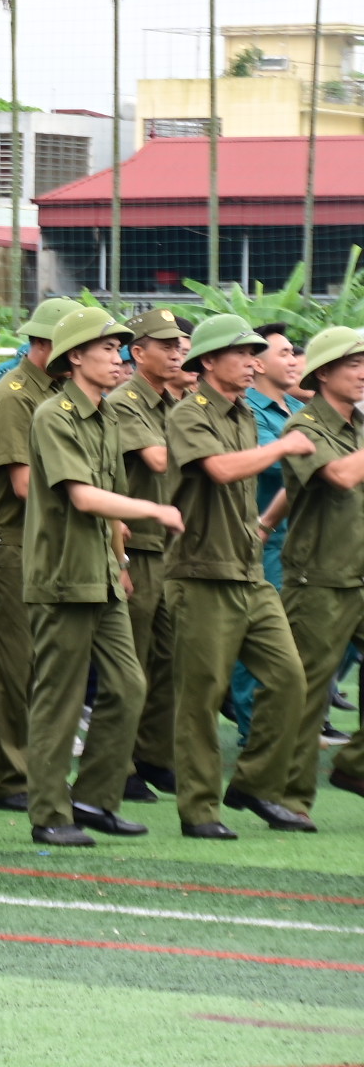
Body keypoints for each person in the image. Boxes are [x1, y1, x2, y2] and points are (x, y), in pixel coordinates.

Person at [22, 307, 183, 846]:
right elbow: (83, 495)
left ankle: (93, 798)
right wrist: (155, 512)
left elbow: (110, 507)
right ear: (75, 358)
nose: (118, 358)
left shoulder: (109, 417)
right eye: (108, 349)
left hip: (105, 575)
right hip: (64, 576)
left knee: (128, 686)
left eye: (119, 349)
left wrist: (121, 560)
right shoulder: (53, 414)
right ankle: (49, 813)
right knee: (60, 699)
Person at [162, 312, 312, 838]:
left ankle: (253, 785)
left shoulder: (242, 412)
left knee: (290, 680)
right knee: (201, 699)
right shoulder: (189, 414)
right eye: (242, 354)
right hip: (201, 573)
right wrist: (282, 446)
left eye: (255, 354)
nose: (253, 362)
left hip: (247, 571)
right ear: (208, 362)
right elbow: (221, 469)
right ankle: (199, 811)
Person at [0, 296, 82, 812]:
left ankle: (36, 771)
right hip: (11, 541)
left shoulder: (57, 393)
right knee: (13, 666)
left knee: (42, 665)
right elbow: (21, 485)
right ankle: (12, 778)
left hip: (48, 541)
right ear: (47, 345)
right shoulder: (14, 396)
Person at [273, 326, 364, 812]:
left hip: (359, 573)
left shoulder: (358, 425)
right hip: (319, 581)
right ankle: (289, 798)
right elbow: (343, 477)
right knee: (307, 695)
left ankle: (354, 767)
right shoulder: (304, 427)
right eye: (354, 364)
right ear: (324, 373)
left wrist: (267, 520)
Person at [106, 308, 188, 801]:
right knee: (131, 665)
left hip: (169, 547)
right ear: (138, 353)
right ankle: (121, 764)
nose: (178, 352)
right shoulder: (126, 402)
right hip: (136, 544)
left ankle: (156, 755)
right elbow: (161, 460)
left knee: (169, 658)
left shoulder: (170, 401)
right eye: (167, 344)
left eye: (180, 344)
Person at [228, 325, 305, 740]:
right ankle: (253, 726)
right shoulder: (247, 411)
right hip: (263, 538)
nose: (294, 360)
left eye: (295, 353)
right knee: (258, 635)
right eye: (285, 352)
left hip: (303, 540)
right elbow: (271, 463)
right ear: (257, 363)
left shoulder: (295, 407)